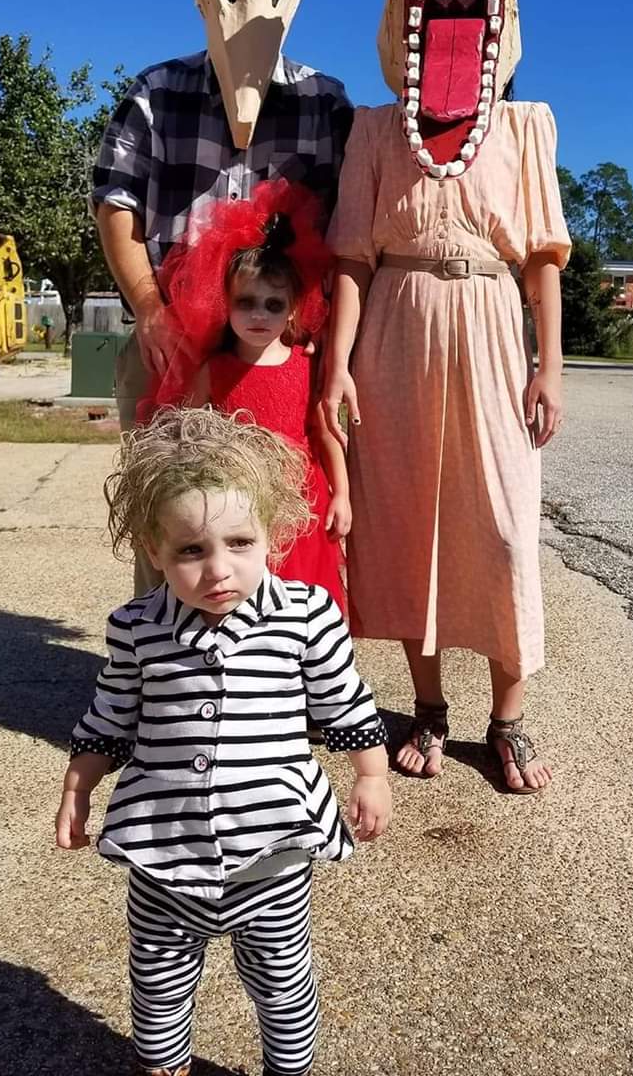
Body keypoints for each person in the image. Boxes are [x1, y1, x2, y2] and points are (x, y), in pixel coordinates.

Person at [321, 0, 572, 795]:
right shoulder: (376, 133)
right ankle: (426, 708)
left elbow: (543, 260)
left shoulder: (522, 130)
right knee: (410, 528)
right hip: (394, 337)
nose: (455, 25)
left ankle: (506, 720)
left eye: (472, 13)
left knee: (504, 529)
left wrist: (547, 364)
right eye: (437, 14)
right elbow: (348, 261)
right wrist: (334, 367)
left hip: (487, 333)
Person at [55, 406, 390, 1076]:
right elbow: (112, 713)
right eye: (190, 551)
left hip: (272, 853)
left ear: (272, 536)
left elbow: (344, 699)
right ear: (154, 550)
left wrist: (371, 773)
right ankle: (166, 1064)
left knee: (282, 984)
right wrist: (78, 786)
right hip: (163, 853)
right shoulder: (136, 627)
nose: (218, 572)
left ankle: (286, 1070)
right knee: (157, 983)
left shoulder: (305, 616)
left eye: (239, 543)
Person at [93, 0, 353, 595]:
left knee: (288, 509)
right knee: (173, 510)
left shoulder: (324, 103)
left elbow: (351, 229)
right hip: (172, 335)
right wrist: (151, 311)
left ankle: (280, 671)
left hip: (282, 349)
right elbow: (117, 202)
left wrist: (325, 347)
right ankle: (163, 677)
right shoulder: (159, 91)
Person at [141, 180, 348, 612]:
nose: (258, 314)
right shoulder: (214, 370)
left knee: (301, 597)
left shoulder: (306, 366)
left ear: (292, 308)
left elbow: (327, 435)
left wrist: (343, 496)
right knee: (239, 594)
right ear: (225, 304)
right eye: (246, 302)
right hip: (232, 500)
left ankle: (302, 671)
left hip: (304, 501)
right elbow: (188, 434)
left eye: (273, 305)